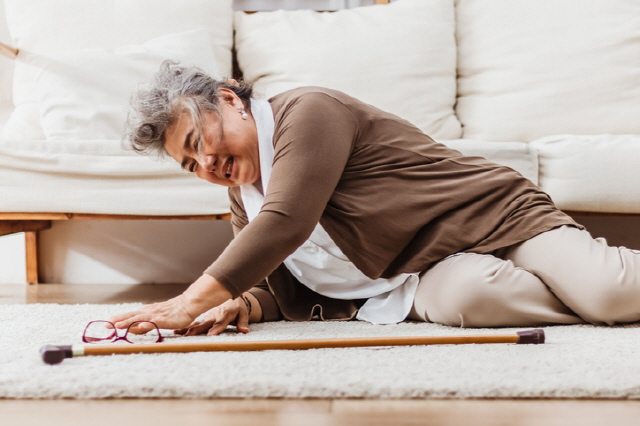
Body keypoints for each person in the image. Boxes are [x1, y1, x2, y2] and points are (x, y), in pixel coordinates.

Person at [110, 61, 640, 336]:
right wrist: (242, 303)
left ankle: (590, 290)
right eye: (188, 164)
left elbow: (288, 223)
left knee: (609, 293)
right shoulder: (244, 196)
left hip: (494, 219)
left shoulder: (308, 111)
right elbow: (289, 283)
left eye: (199, 143)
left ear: (230, 101)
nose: (205, 165)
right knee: (467, 299)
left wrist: (186, 303)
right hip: (426, 272)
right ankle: (583, 301)